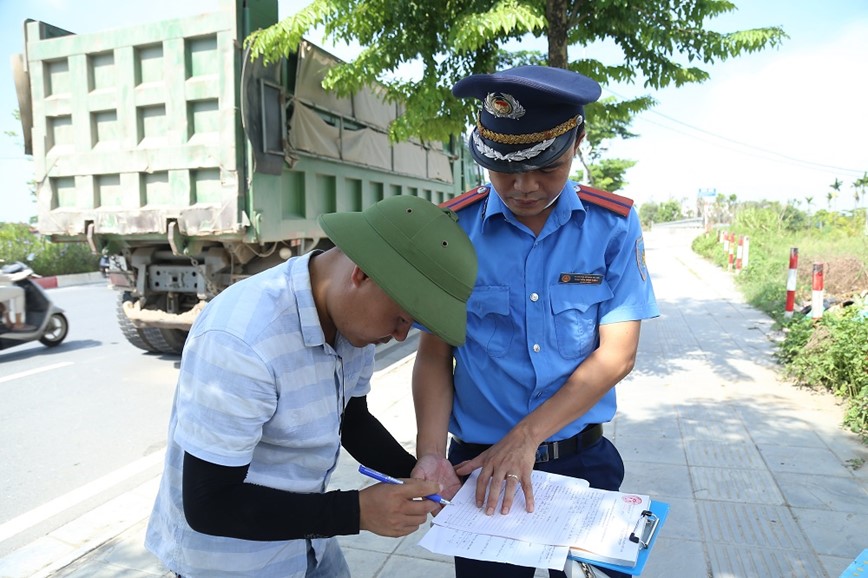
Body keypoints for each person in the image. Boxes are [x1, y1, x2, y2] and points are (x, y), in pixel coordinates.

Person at [145, 195, 478, 578]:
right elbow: (210, 503)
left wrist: (422, 472)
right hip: (233, 560)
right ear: (363, 273)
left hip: (308, 541)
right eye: (401, 319)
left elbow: (351, 420)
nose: (400, 336)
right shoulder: (243, 339)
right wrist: (356, 512)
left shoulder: (353, 322)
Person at [411, 66, 659, 578]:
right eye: (503, 170)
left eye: (546, 167)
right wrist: (431, 454)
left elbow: (617, 354)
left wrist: (526, 437)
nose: (523, 187)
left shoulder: (611, 224)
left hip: (582, 465)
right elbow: (436, 353)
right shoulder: (453, 228)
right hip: (482, 472)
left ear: (577, 141)